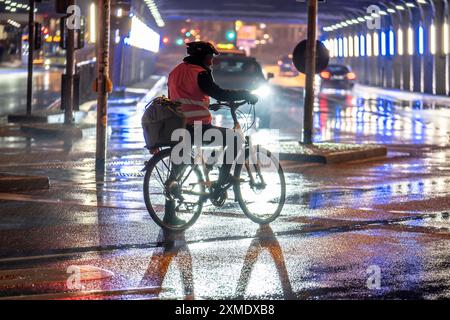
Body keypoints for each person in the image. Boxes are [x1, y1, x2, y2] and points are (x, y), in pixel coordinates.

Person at [165, 41, 258, 221]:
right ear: (201, 57)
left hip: (178, 126)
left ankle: (170, 215)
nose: (211, 62)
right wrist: (245, 94)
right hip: (197, 127)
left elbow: (179, 97)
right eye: (209, 58)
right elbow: (220, 93)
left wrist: (208, 103)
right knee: (234, 139)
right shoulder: (199, 73)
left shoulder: (175, 71)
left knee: (176, 173)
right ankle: (223, 179)